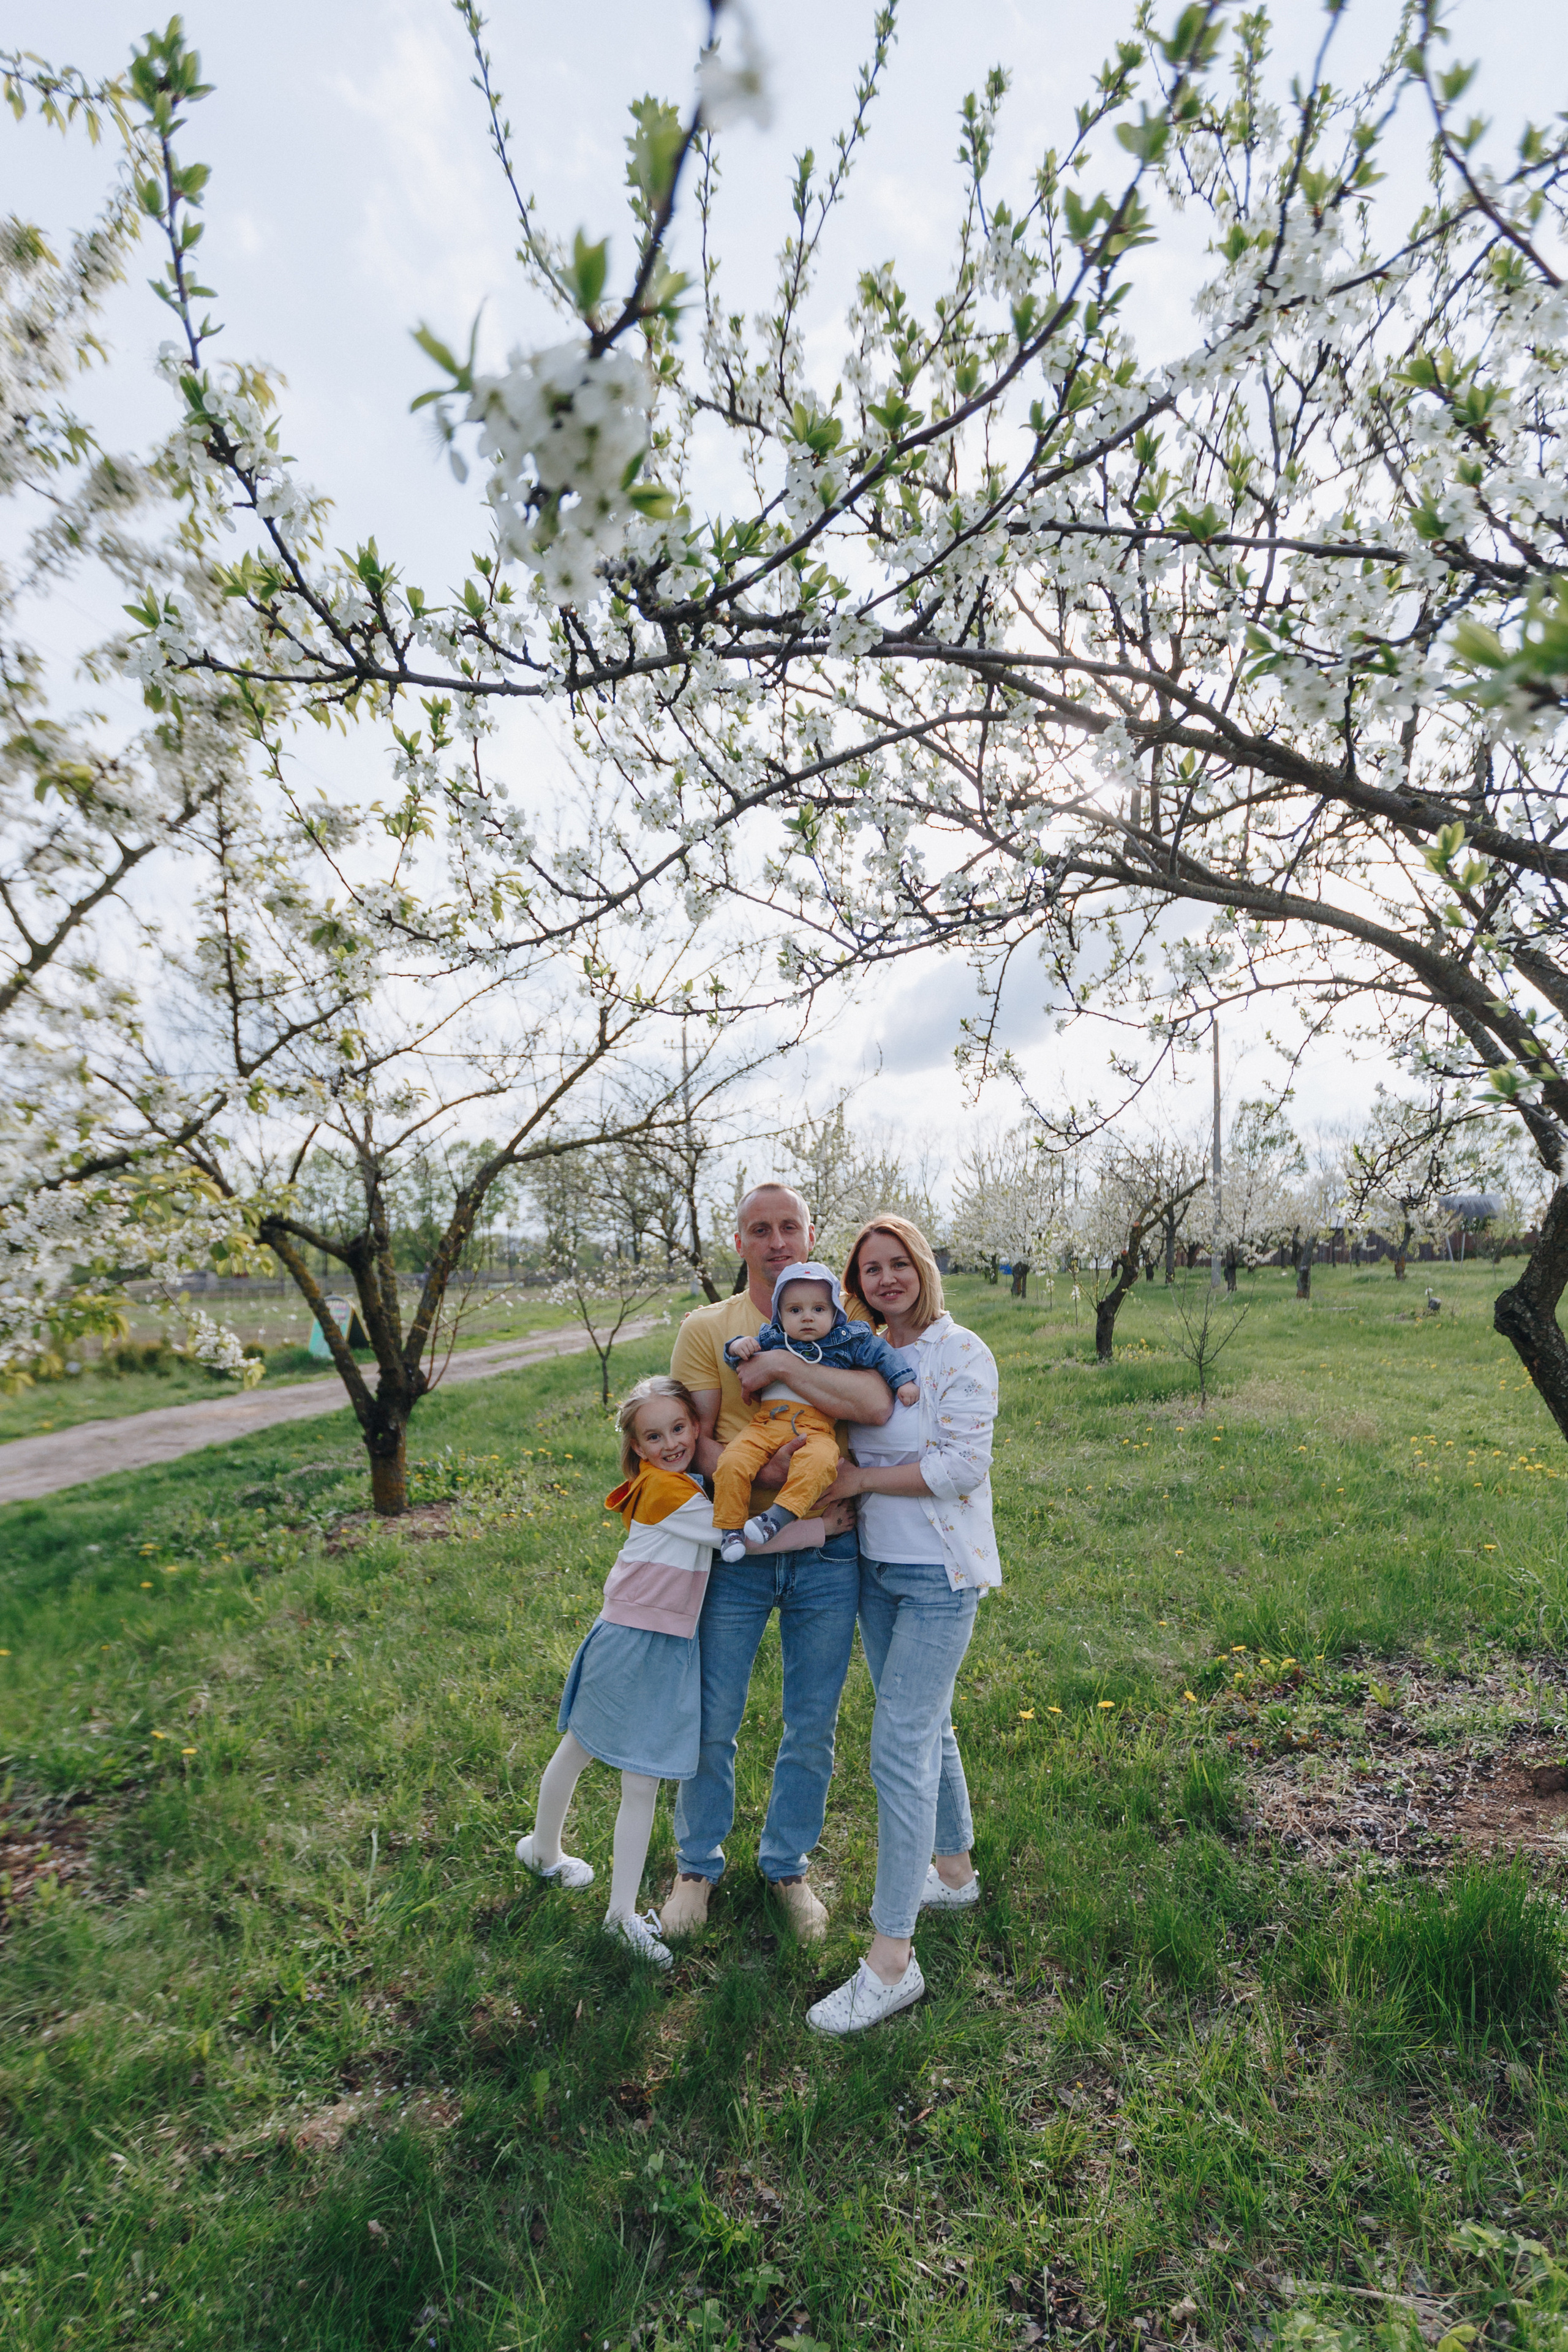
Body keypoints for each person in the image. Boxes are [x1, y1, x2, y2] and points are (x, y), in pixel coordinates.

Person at [516, 1374, 829, 1969]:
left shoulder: (671, 1484)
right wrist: (821, 1528)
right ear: (635, 1446)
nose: (669, 1442)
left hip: (624, 1636)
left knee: (577, 1750)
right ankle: (618, 1917)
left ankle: (543, 1850)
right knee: (638, 1781)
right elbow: (735, 1539)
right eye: (653, 1436)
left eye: (679, 1429)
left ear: (695, 1426)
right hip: (644, 1645)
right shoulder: (671, 1494)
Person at [662, 1183, 894, 1943]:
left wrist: (787, 1376)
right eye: (759, 1229)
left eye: (789, 1225)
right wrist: (778, 1484)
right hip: (738, 1549)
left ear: (809, 1231)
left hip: (828, 1552)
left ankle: (787, 1867)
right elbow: (694, 1442)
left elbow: (875, 1401)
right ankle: (695, 1867)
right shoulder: (708, 1327)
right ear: (739, 1242)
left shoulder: (846, 1314)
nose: (776, 1240)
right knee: (712, 1717)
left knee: (811, 1722)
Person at [804, 1216, 1001, 2036]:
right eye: (869, 1268)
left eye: (897, 1264)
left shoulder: (964, 1353)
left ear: (921, 1267)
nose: (885, 1279)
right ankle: (952, 1872)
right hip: (877, 1575)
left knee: (900, 1749)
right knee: (929, 1727)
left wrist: (856, 1476)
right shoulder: (860, 1351)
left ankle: (892, 1962)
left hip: (939, 1579)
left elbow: (961, 1467)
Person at [714, 1260, 917, 1559]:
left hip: (815, 1428)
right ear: (780, 1316)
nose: (807, 1318)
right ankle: (731, 1530)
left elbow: (881, 1353)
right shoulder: (773, 1339)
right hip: (765, 1423)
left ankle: (778, 1517)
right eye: (795, 1311)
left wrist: (903, 1381)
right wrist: (737, 1347)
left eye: (818, 1310)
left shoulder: (847, 1341)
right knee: (732, 1460)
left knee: (822, 1462)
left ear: (835, 1312)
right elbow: (738, 1355)